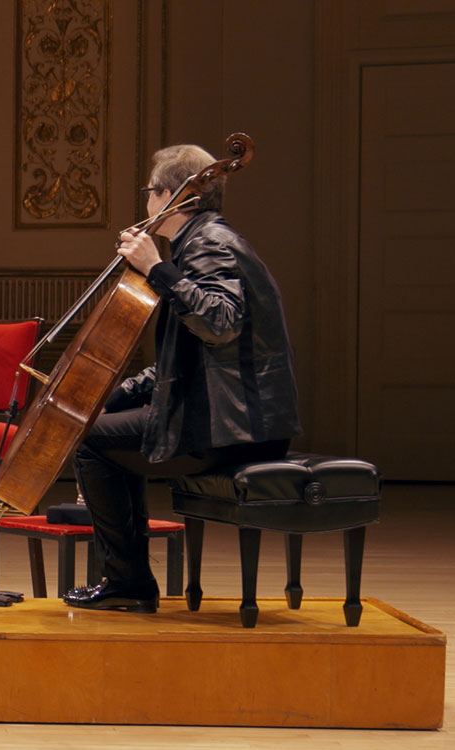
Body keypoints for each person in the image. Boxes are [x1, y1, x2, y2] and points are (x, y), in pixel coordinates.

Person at [62, 144, 301, 613]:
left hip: (234, 428)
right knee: (102, 431)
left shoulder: (208, 243)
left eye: (150, 192)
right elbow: (184, 358)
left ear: (170, 196)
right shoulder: (203, 240)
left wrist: (156, 268)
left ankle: (128, 583)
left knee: (90, 443)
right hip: (234, 418)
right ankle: (127, 580)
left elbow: (221, 322)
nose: (146, 203)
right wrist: (113, 395)